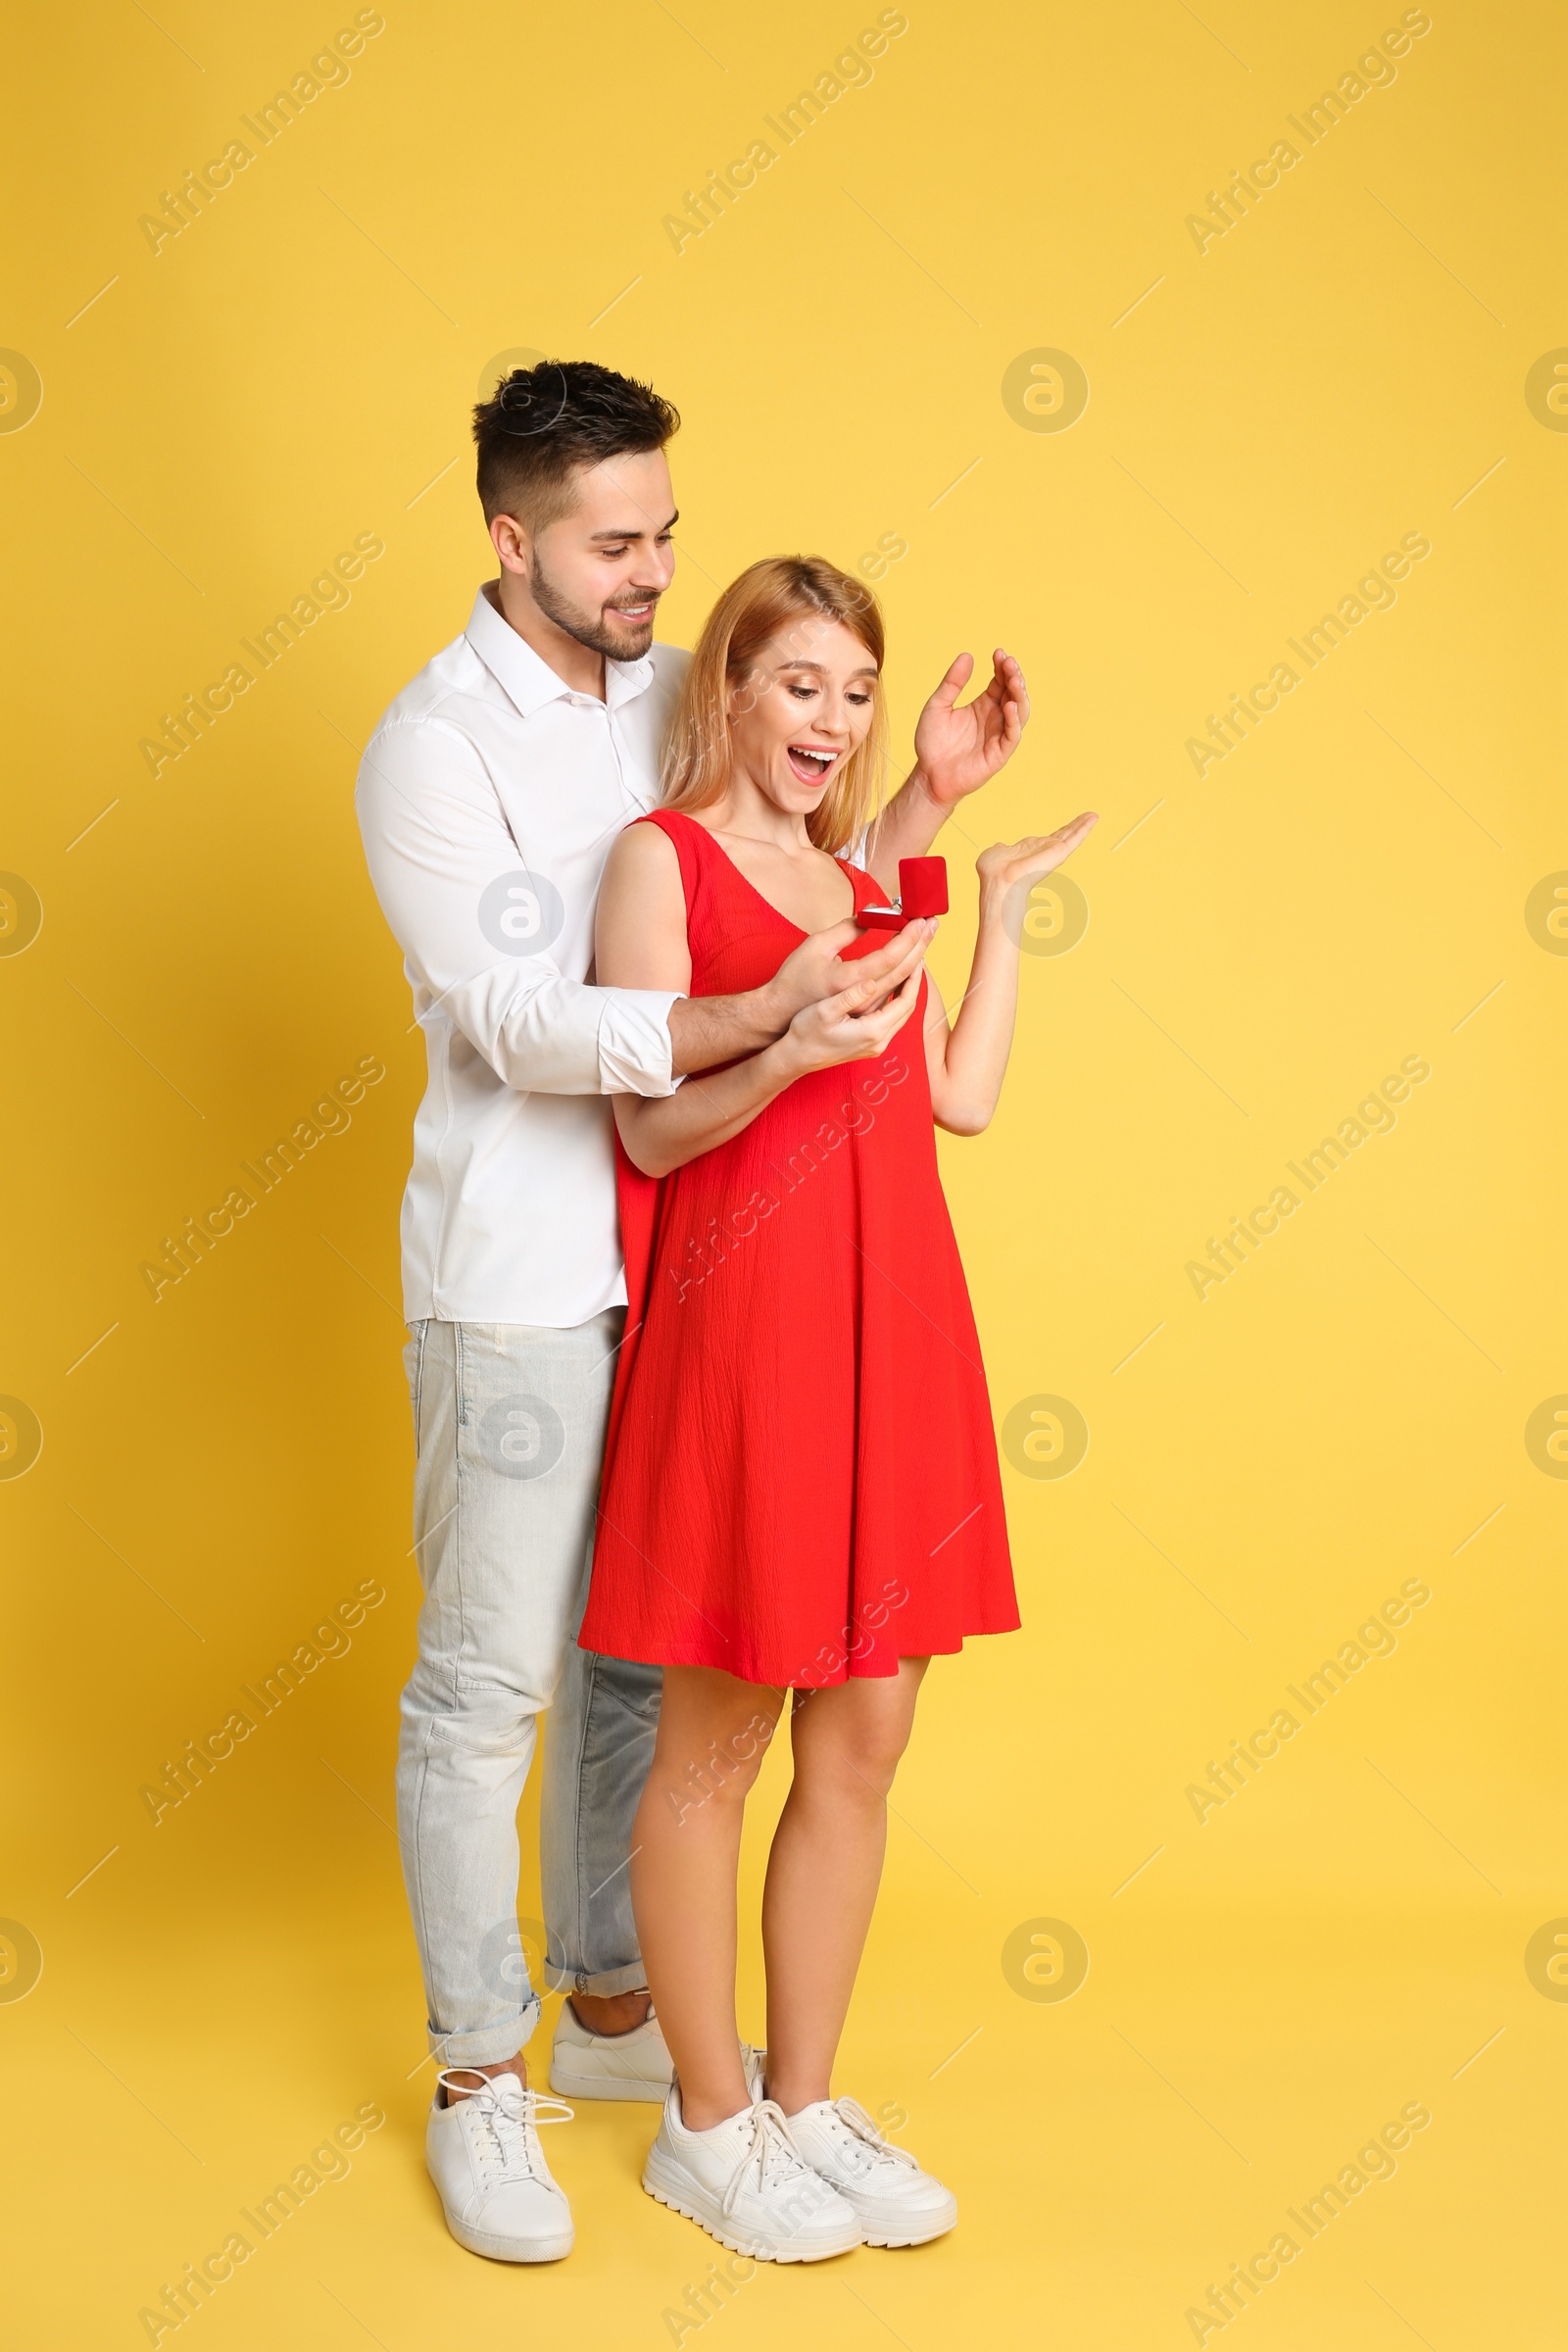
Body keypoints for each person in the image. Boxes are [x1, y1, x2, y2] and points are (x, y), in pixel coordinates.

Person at [354, 360, 1033, 2262]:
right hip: (523, 1271)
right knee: (493, 1687)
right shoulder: (428, 747)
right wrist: (765, 1024)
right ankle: (480, 2076)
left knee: (637, 1686)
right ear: (513, 542)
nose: (654, 567)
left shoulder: (678, 676)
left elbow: (792, 816)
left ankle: (620, 2023)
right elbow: (525, 1022)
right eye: (613, 542)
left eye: (663, 532)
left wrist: (921, 807)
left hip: (701, 1280)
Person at [580, 554, 1096, 2262]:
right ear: (726, 684)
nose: (835, 720)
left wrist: (990, 895)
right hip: (750, 1349)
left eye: (857, 693)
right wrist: (787, 1053)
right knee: (717, 1743)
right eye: (801, 683)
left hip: (899, 1339)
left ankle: (802, 2104)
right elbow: (646, 1131)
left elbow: (955, 1098)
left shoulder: (871, 882)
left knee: (864, 1740)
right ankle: (705, 2125)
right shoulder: (663, 866)